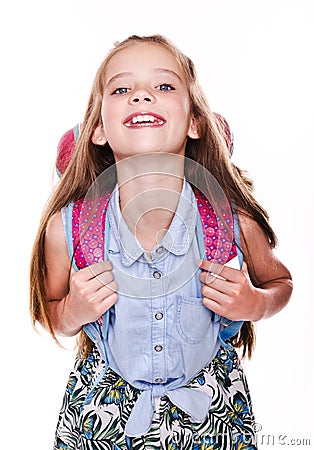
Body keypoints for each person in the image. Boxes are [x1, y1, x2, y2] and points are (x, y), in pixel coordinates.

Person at [30, 35, 292, 450]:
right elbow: (50, 313)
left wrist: (256, 303)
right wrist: (72, 311)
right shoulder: (69, 229)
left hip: (215, 419)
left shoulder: (230, 223)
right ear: (98, 129)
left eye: (164, 86)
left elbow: (281, 284)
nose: (142, 96)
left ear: (194, 122)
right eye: (121, 89)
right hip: (100, 421)